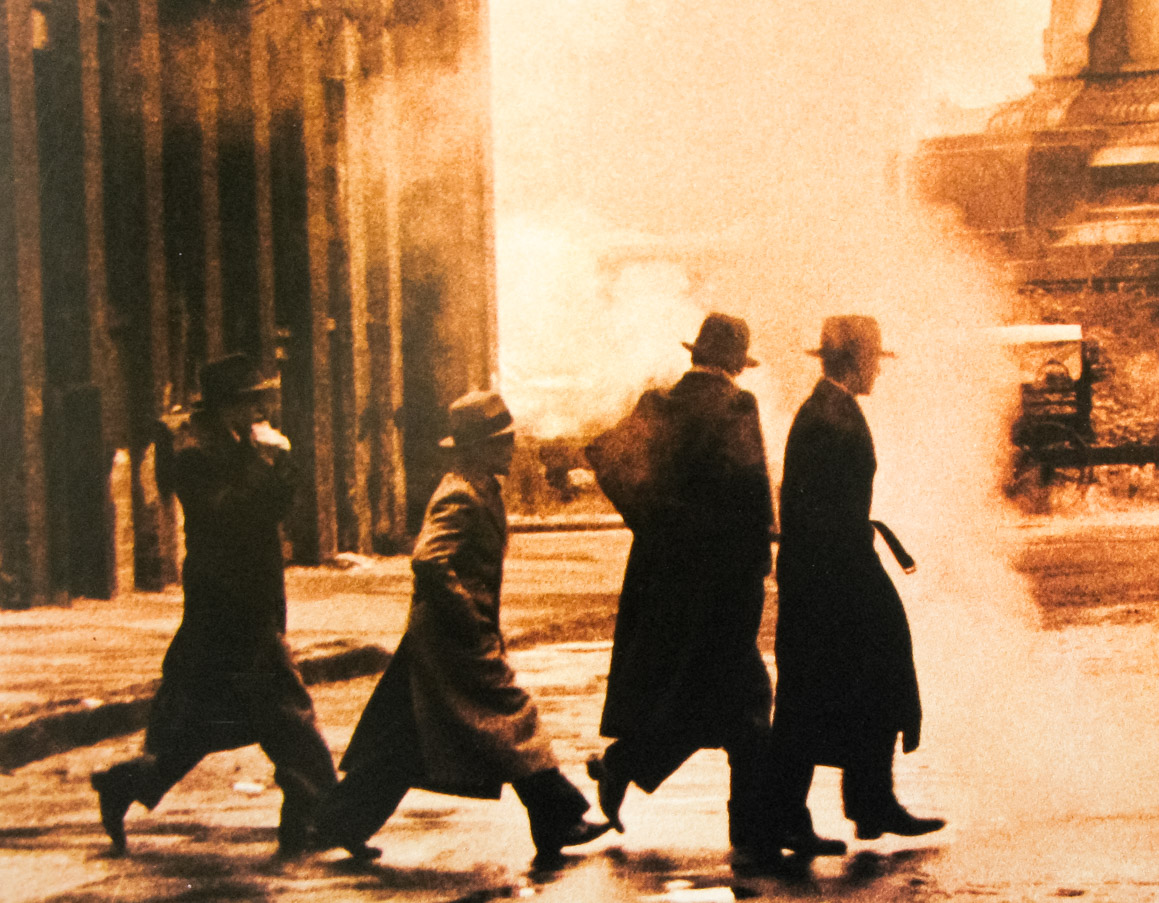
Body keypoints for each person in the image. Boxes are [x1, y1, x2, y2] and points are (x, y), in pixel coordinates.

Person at [318, 390, 608, 870]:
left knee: (405, 736)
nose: (509, 448)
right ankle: (558, 817)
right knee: (512, 717)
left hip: (445, 635)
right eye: (499, 441)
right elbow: (428, 559)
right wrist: (466, 614)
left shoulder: (479, 487)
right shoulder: (461, 493)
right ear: (476, 448)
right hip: (454, 637)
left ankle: (341, 821)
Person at [89, 353, 338, 859]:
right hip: (227, 607)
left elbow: (276, 506)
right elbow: (229, 513)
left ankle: (125, 783)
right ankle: (325, 820)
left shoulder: (246, 447)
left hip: (251, 602)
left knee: (201, 728)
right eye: (250, 402)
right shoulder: (195, 455)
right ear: (225, 407)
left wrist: (278, 462)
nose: (259, 411)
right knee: (289, 716)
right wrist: (262, 462)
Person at [586, 313, 782, 868]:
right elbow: (753, 492)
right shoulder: (737, 406)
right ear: (736, 362)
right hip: (722, 583)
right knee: (745, 698)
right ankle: (751, 829)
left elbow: (607, 458)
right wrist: (764, 553)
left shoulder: (660, 404)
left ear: (696, 354)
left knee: (711, 698)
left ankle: (626, 767)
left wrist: (656, 523)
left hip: (668, 581)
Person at [764, 315, 944, 854]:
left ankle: (862, 802)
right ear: (856, 361)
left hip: (825, 569)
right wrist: (851, 578)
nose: (878, 372)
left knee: (832, 691)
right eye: (873, 361)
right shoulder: (831, 417)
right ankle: (833, 808)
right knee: (823, 694)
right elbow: (821, 512)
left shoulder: (828, 409)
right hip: (832, 573)